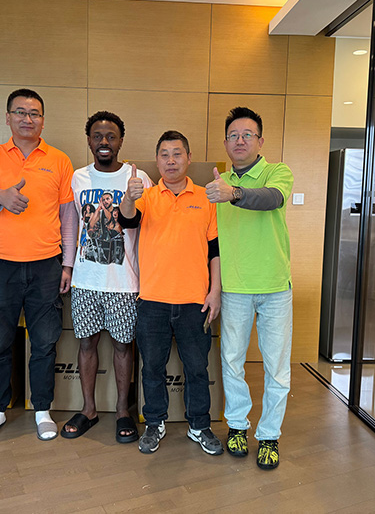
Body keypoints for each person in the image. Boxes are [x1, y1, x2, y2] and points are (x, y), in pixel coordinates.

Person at [0, 88, 76, 443]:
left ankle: (42, 409)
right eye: (20, 112)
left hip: (47, 263)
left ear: (43, 120)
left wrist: (68, 263)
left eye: (34, 113)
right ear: (8, 117)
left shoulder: (59, 160)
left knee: (45, 341)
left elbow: (68, 215)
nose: (27, 119)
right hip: (1, 263)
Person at [118, 130, 223, 456]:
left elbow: (215, 250)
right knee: (152, 368)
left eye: (177, 154)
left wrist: (215, 291)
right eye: (164, 154)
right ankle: (154, 423)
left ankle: (199, 425)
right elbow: (126, 220)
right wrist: (129, 196)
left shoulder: (206, 197)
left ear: (189, 158)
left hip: (195, 301)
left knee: (197, 369)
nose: (171, 160)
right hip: (152, 301)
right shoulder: (146, 197)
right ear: (157, 160)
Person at [205, 106, 294, 470]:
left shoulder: (277, 172)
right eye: (233, 135)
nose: (239, 141)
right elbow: (211, 240)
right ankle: (238, 427)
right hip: (235, 288)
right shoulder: (217, 185)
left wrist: (235, 193)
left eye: (247, 135)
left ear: (260, 140)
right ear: (225, 142)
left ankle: (269, 435)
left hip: (275, 287)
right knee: (232, 362)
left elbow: (273, 198)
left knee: (277, 368)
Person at [61, 111, 152, 443]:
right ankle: (88, 409)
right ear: (88, 140)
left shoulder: (138, 178)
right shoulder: (78, 178)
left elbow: (147, 228)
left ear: (120, 141)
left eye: (111, 136)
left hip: (124, 281)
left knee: (123, 346)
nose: (104, 142)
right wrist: (68, 266)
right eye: (97, 135)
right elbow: (72, 226)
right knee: (86, 343)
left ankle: (123, 410)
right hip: (86, 280)